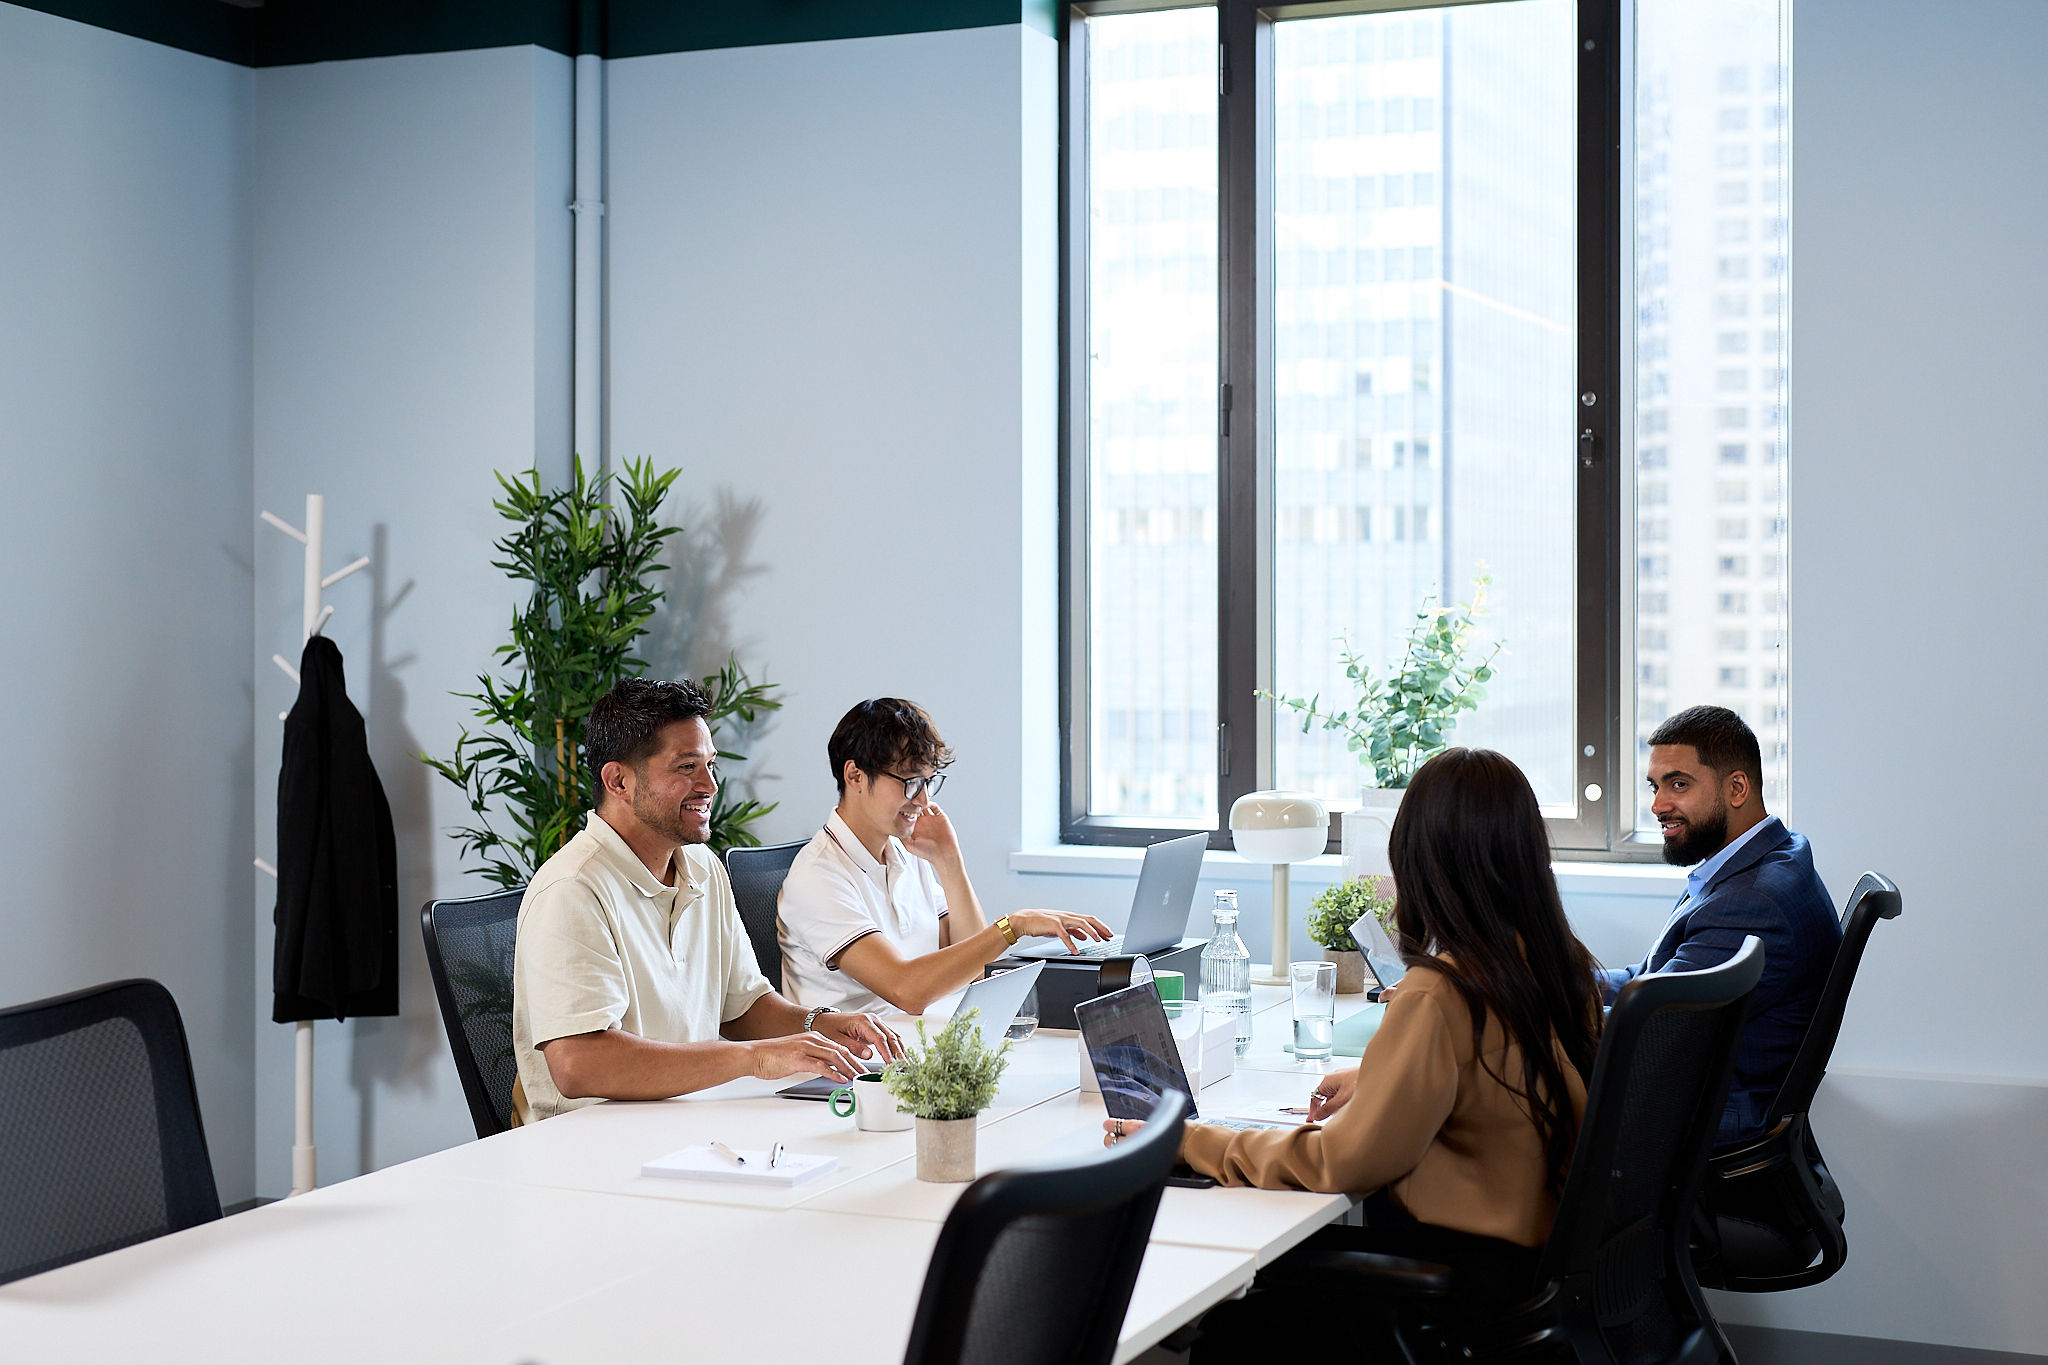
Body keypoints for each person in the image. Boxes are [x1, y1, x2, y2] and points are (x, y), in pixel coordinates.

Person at [1102, 748, 1603, 1351]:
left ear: (1420, 860)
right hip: (1531, 1265)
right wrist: (1381, 1075)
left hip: (1459, 1280)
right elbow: (1499, 1071)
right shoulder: (1555, 965)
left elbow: (1342, 1163)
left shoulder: (1442, 992)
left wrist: (1186, 1141)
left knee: (1233, 1328)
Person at [510, 678, 902, 1125]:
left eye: (710, 765)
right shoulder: (572, 889)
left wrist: (819, 1023)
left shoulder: (702, 867)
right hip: (591, 1146)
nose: (710, 785)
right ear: (618, 780)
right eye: (686, 767)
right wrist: (753, 1059)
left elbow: (741, 1007)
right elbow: (579, 1064)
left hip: (682, 1123)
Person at [777, 698, 1112, 1016]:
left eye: (929, 782)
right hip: (858, 1066)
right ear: (855, 777)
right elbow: (906, 989)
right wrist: (1015, 926)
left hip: (920, 1042)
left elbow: (975, 970)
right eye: (910, 782)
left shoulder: (906, 854)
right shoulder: (818, 876)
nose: (922, 800)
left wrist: (949, 862)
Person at [1601, 703, 1838, 1144]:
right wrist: (1567, 981)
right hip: (1703, 1080)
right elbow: (1654, 980)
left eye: (1679, 785)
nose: (1657, 805)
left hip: (1708, 1109)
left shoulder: (1751, 902)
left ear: (1737, 788)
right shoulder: (1760, 858)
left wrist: (1538, 1009)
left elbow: (1650, 1031)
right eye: (1654, 787)